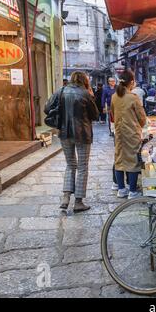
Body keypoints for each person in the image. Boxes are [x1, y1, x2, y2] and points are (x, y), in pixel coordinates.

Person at [45, 71, 99, 212]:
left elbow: (47, 108)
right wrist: (91, 96)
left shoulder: (61, 91)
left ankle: (66, 197)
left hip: (64, 133)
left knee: (70, 165)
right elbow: (95, 115)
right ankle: (79, 202)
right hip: (82, 134)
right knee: (82, 167)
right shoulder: (85, 94)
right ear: (84, 80)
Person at [111, 69, 147, 199]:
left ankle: (121, 189)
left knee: (119, 159)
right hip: (132, 133)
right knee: (133, 161)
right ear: (131, 82)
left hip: (119, 132)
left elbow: (113, 114)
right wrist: (139, 126)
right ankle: (132, 191)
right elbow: (142, 118)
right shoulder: (133, 97)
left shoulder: (114, 96)